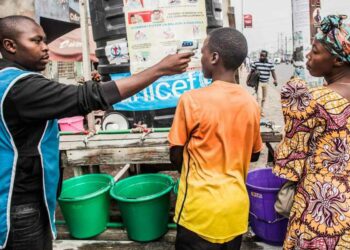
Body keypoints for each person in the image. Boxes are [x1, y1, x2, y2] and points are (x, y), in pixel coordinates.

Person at [0, 15, 192, 250]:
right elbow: (90, 96)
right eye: (36, 41)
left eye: (45, 41)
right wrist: (160, 69)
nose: (45, 48)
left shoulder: (5, 81)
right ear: (10, 45)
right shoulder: (20, 87)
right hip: (19, 205)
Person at [168, 27, 263, 249]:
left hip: (199, 212)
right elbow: (255, 153)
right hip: (236, 211)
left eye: (202, 52)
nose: (200, 58)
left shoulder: (191, 100)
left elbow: (176, 155)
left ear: (214, 57)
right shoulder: (251, 103)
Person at [273, 15, 350, 249]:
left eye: (315, 52)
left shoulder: (312, 101)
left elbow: (289, 162)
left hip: (321, 209)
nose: (308, 56)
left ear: (337, 60)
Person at [248, 50, 278, 117]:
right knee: (259, 97)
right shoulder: (256, 63)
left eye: (263, 56)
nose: (261, 57)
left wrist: (275, 80)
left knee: (264, 98)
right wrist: (248, 80)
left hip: (266, 83)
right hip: (258, 83)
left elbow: (273, 72)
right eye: (261, 55)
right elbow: (251, 72)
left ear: (266, 56)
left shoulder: (270, 64)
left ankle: (261, 111)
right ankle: (258, 111)